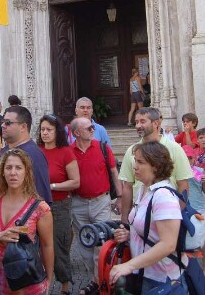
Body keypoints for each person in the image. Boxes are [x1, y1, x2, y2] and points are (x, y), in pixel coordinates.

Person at [0, 106, 52, 291]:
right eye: (2, 122)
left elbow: (40, 206)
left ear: (23, 127)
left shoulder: (33, 155)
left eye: (7, 122)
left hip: (17, 255)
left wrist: (48, 276)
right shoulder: (6, 150)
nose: (2, 126)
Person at [110, 141, 188, 294]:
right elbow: (148, 228)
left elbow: (168, 244)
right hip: (146, 273)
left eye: (140, 162)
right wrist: (130, 234)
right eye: (135, 160)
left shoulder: (163, 196)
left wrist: (129, 265)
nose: (135, 166)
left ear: (156, 166)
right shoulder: (144, 190)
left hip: (163, 279)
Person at [0, 148, 54, 294]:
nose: (13, 172)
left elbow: (47, 246)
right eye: (8, 168)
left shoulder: (40, 208)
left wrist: (49, 279)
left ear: (26, 172)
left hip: (26, 281)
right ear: (3, 172)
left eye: (18, 168)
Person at [70, 117, 122, 295]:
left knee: (101, 243)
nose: (93, 130)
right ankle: (97, 279)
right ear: (77, 133)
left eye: (92, 128)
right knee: (84, 243)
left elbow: (114, 172)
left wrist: (120, 197)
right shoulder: (69, 152)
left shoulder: (102, 147)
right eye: (89, 128)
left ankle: (100, 282)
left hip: (101, 201)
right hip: (78, 203)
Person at [119, 107, 192, 223]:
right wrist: (124, 219)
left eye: (142, 121)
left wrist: (178, 215)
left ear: (156, 123)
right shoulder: (131, 151)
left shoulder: (174, 148)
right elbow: (127, 186)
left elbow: (183, 185)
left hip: (168, 215)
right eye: (136, 122)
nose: (138, 126)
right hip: (139, 216)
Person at [38, 114, 80, 295]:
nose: (45, 133)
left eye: (49, 130)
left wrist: (52, 186)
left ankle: (64, 286)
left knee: (59, 244)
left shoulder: (66, 152)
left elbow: (75, 182)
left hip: (59, 205)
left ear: (57, 132)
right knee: (37, 246)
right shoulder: (36, 151)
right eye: (42, 130)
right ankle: (41, 285)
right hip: (37, 206)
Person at [182, 145, 205, 272]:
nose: (187, 160)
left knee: (203, 242)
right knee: (190, 242)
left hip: (200, 209)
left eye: (189, 158)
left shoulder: (199, 172)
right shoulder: (177, 172)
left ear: (194, 158)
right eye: (184, 158)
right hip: (187, 210)